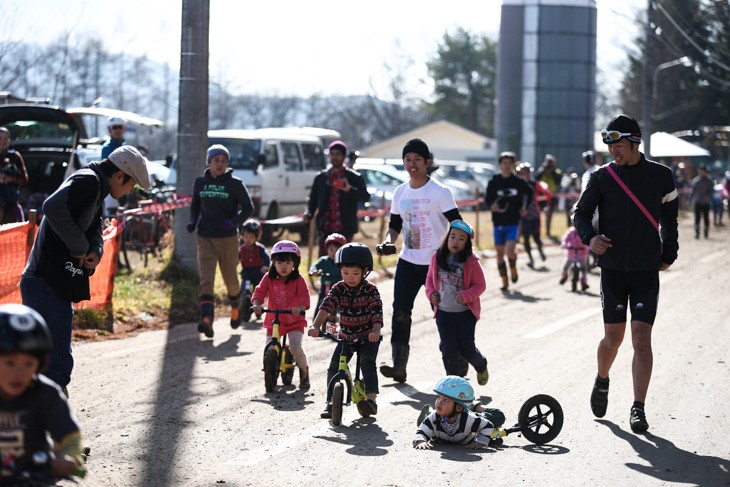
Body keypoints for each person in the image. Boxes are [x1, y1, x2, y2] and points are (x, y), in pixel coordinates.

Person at [574, 114, 679, 433]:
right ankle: (602, 379)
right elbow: (580, 213)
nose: (614, 153)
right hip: (614, 271)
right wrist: (590, 238)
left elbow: (670, 220)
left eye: (618, 146)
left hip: (647, 270)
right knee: (613, 339)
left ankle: (638, 407)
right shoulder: (601, 177)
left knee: (641, 340)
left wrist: (668, 253)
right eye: (610, 147)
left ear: (634, 142)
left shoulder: (662, 175)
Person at [20, 146, 150, 392]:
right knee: (54, 364)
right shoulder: (88, 181)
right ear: (120, 175)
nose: (131, 191)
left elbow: (95, 230)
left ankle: (44, 420)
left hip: (55, 283)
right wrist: (80, 247)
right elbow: (52, 207)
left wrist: (95, 251)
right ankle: (52, 424)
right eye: (132, 184)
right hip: (45, 282)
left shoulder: (97, 188)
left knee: (53, 361)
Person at [377, 138, 461, 384]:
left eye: (417, 160)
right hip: (409, 261)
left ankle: (457, 360)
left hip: (437, 264)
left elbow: (457, 224)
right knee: (401, 312)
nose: (412, 164)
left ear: (427, 162)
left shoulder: (439, 192)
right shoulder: (400, 192)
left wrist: (457, 256)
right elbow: (395, 225)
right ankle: (398, 365)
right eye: (407, 160)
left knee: (445, 313)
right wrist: (389, 241)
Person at [0, 304, 84, 479]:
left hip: (35, 477)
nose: (19, 373)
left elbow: (70, 434)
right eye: (10, 363)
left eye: (29, 364)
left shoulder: (46, 394)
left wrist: (68, 456)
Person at [187, 144, 254, 336]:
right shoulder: (200, 182)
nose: (220, 164)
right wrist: (193, 220)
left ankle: (235, 309)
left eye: (224, 160)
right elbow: (195, 205)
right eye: (216, 160)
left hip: (228, 238)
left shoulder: (235, 183)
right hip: (205, 237)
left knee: (231, 279)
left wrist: (234, 221)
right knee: (206, 279)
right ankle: (207, 319)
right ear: (209, 161)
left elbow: (248, 208)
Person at [309, 242, 382, 418]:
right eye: (345, 273)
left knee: (367, 364)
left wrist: (376, 331)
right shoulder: (338, 288)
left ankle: (371, 400)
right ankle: (330, 402)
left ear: (365, 271)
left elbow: (377, 313)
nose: (350, 277)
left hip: (367, 337)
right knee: (334, 367)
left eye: (355, 273)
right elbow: (326, 306)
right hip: (346, 336)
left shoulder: (371, 290)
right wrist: (316, 326)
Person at [425, 220, 489, 384]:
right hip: (444, 313)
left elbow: (480, 285)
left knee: (466, 350)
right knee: (448, 349)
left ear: (467, 243)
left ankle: (481, 364)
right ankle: (454, 385)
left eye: (461, 239)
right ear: (447, 238)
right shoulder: (437, 257)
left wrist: (467, 295)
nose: (456, 241)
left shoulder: (471, 262)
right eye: (452, 236)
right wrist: (431, 293)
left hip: (464, 314)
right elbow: (430, 280)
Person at [252, 240, 310, 388]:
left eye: (288, 263)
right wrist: (257, 304)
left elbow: (304, 294)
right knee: (270, 348)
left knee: (295, 347)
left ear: (295, 263)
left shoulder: (298, 279)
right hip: (274, 320)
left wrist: (300, 307)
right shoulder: (269, 277)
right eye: (279, 262)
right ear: (273, 262)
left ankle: (304, 371)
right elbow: (260, 291)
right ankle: (270, 371)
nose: (283, 267)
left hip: (294, 320)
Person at [303, 140, 370, 256]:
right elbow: (313, 199)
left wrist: (349, 190)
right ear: (328, 156)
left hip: (345, 229)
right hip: (325, 229)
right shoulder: (321, 178)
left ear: (344, 156)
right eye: (332, 154)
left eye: (338, 154)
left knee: (344, 263)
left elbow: (365, 197)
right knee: (324, 264)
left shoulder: (354, 177)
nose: (334, 157)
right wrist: (309, 212)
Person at [484, 152, 533, 291]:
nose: (506, 166)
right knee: (499, 255)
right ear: (500, 165)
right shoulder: (494, 181)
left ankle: (513, 267)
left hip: (513, 222)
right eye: (504, 163)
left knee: (510, 251)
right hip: (498, 222)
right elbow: (487, 199)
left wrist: (524, 207)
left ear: (513, 165)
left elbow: (529, 193)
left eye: (509, 163)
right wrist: (491, 206)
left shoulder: (518, 182)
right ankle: (504, 281)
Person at [413, 376, 505, 450]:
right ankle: (427, 414)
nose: (439, 402)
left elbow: (487, 425)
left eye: (445, 400)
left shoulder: (468, 419)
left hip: (467, 413)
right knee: (427, 422)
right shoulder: (434, 417)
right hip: (440, 429)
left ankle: (473, 406)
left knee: (498, 416)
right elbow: (421, 432)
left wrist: (480, 442)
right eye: (438, 397)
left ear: (459, 407)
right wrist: (421, 441)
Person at [238, 218, 270, 324]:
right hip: (246, 273)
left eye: (251, 237)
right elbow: (236, 259)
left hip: (258, 273)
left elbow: (266, 258)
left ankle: (258, 306)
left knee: (259, 290)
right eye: (246, 236)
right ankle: (244, 306)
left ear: (257, 237)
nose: (248, 239)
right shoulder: (241, 249)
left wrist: (265, 266)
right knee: (243, 289)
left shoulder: (260, 248)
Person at [516, 162, 548, 268]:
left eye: (527, 173)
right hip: (524, 215)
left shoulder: (535, 184)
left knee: (536, 237)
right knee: (526, 238)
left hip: (535, 215)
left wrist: (547, 206)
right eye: (522, 173)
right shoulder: (518, 184)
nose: (525, 175)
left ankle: (540, 250)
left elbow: (547, 193)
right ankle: (530, 258)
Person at [309, 233, 346, 315]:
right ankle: (315, 324)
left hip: (337, 287)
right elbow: (315, 265)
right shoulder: (324, 260)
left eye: (337, 250)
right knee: (320, 302)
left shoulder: (342, 262)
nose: (333, 253)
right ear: (327, 249)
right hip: (325, 286)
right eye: (331, 250)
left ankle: (335, 323)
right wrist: (314, 270)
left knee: (339, 305)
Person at [0, 126, 28, 223]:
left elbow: (24, 180)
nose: (3, 141)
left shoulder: (15, 157)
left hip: (12, 205)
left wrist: (10, 179)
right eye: (0, 138)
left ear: (9, 140)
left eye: (5, 138)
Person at [535, 154, 563, 239]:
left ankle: (547, 231)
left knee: (549, 214)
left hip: (551, 196)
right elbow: (536, 178)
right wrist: (542, 169)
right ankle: (537, 231)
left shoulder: (557, 171)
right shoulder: (542, 170)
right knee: (537, 214)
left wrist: (552, 170)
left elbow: (558, 180)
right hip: (541, 196)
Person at [559, 219, 590, 291]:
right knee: (565, 266)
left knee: (584, 267)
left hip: (582, 254)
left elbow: (588, 240)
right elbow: (565, 238)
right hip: (571, 253)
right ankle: (564, 276)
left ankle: (584, 282)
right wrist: (564, 244)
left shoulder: (584, 231)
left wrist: (587, 246)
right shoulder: (570, 232)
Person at [690, 164, 713, 239]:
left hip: (706, 203)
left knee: (706, 218)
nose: (701, 172)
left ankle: (706, 232)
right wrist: (690, 201)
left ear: (705, 172)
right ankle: (697, 232)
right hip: (698, 202)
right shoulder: (696, 181)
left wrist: (708, 197)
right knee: (697, 218)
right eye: (700, 171)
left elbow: (712, 191)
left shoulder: (709, 181)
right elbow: (693, 192)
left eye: (703, 171)